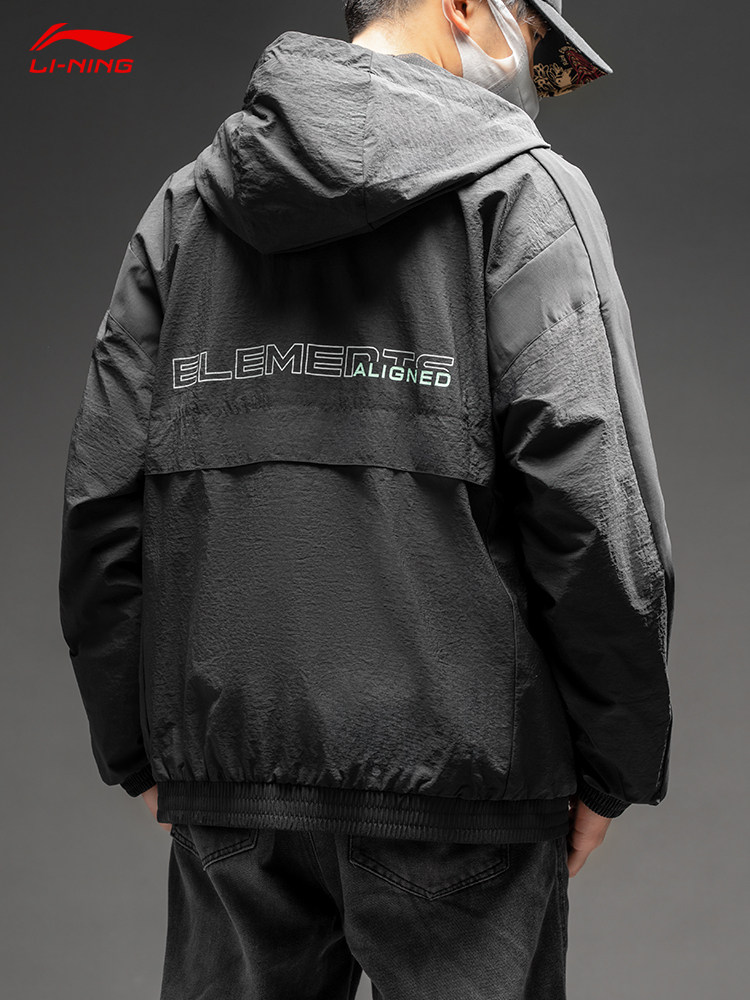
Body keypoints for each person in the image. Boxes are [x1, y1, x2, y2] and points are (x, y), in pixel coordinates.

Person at [58, 2, 675, 997]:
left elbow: (102, 504)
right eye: (534, 38)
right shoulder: (523, 198)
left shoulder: (186, 211)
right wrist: (616, 762)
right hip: (465, 785)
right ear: (464, 6)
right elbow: (595, 509)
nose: (534, 76)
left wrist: (140, 753)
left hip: (233, 780)